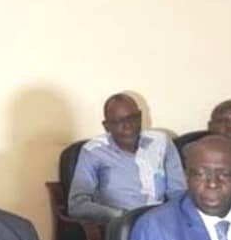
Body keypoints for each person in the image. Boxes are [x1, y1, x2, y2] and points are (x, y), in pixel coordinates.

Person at [68, 93, 185, 223]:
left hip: (160, 222)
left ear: (140, 117)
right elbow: (77, 205)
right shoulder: (93, 152)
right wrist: (118, 216)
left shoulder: (161, 142)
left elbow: (179, 194)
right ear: (106, 126)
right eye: (118, 122)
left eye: (132, 118)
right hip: (121, 225)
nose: (128, 126)